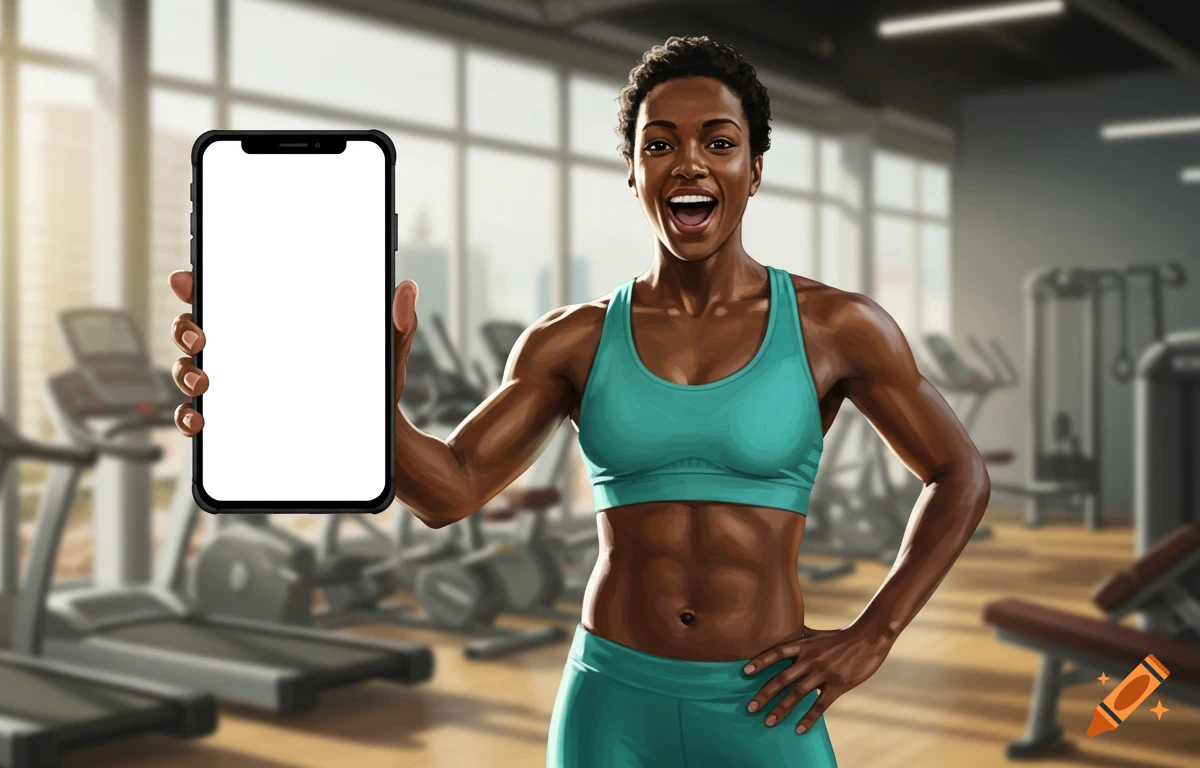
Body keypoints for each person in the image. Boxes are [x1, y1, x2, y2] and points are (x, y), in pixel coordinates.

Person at [166, 35, 990, 768]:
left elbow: (958, 473)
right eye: (659, 143)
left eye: (720, 142)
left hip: (764, 703)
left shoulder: (837, 327)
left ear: (753, 169)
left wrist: (874, 634)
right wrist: (359, 402)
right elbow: (449, 492)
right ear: (633, 171)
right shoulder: (571, 340)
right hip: (612, 700)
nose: (690, 163)